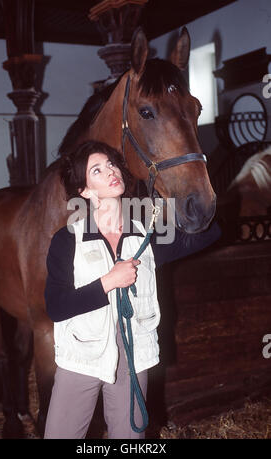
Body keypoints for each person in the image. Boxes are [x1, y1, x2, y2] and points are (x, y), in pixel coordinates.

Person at [44, 140, 221, 439]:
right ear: (85, 191)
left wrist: (196, 184)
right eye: (97, 170)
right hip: (82, 354)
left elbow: (209, 233)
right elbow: (57, 306)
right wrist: (109, 281)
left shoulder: (146, 235)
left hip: (134, 351)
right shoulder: (68, 240)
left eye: (112, 164)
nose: (111, 171)